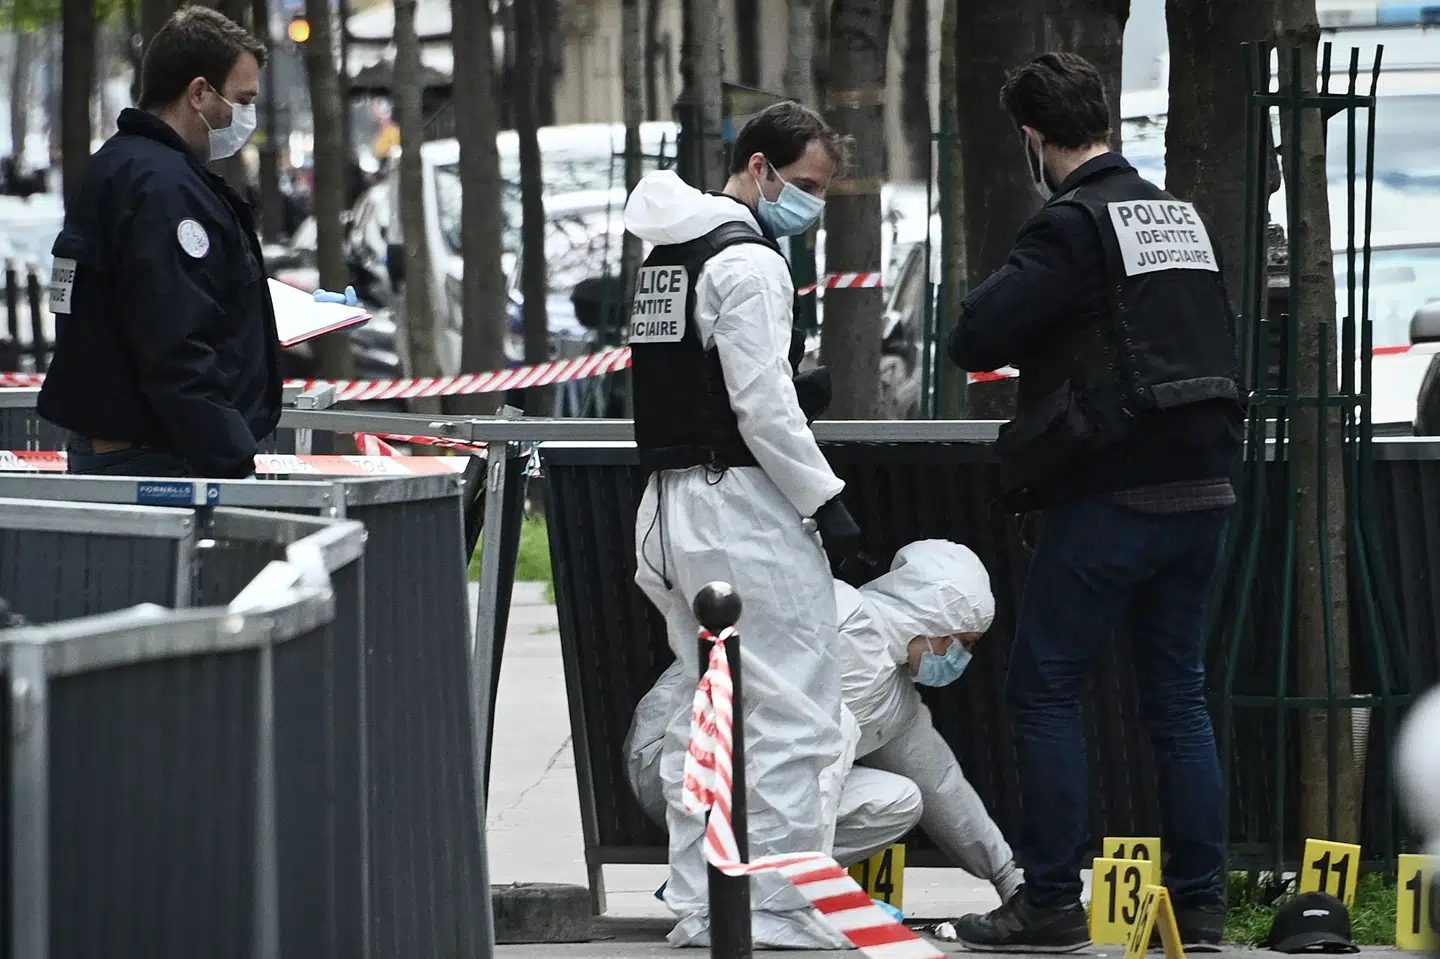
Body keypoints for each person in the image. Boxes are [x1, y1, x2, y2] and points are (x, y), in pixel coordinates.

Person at [946, 52, 1243, 953]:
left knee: (1043, 689)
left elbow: (973, 337)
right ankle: (1200, 906)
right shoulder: (1176, 215)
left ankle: (1048, 901)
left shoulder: (1069, 227)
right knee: (1179, 701)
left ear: (1033, 138)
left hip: (1114, 494)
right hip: (1206, 489)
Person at [623, 100, 864, 949]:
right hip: (743, 508)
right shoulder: (751, 264)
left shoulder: (667, 253)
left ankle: (702, 900)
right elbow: (760, 403)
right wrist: (824, 500)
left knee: (706, 704)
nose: (810, 204)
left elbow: (690, 379)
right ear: (758, 166)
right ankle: (781, 907)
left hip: (669, 504)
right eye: (803, 184)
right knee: (795, 710)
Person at [625, 539, 1024, 904]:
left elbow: (939, 783)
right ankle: (728, 886)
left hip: (733, 779)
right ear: (934, 618)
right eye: (963, 642)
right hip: (675, 762)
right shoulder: (837, 619)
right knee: (812, 772)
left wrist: (1006, 875)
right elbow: (811, 767)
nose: (962, 658)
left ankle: (736, 883)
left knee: (900, 799)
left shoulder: (891, 691)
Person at [39, 6, 280, 478]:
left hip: (132, 449)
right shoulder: (165, 191)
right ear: (198, 93)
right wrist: (233, 457)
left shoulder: (122, 166)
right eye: (242, 99)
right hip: (156, 460)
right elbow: (177, 345)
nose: (246, 115)